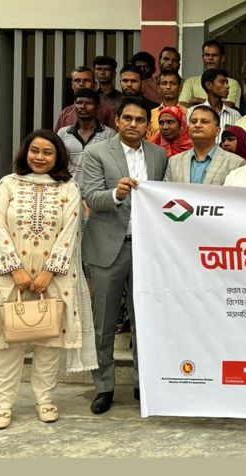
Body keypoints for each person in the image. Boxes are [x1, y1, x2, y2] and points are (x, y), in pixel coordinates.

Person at [0, 130, 97, 430]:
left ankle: (45, 400)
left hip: (55, 277)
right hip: (11, 277)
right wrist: (16, 270)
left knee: (49, 341)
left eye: (48, 152)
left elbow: (70, 232)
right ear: (25, 152)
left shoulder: (68, 188)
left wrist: (49, 271)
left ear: (58, 157)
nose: (39, 157)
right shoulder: (8, 183)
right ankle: (3, 405)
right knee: (8, 343)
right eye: (34, 150)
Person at [82, 96, 169, 414]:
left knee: (144, 321)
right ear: (117, 120)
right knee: (104, 324)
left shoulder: (159, 155)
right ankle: (104, 388)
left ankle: (142, 384)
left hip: (147, 249)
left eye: (140, 120)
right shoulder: (96, 152)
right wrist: (115, 194)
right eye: (128, 118)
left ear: (148, 125)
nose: (134, 124)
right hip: (108, 247)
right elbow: (91, 196)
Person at [165, 106, 245, 185]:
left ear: (217, 131)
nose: (197, 125)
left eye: (204, 122)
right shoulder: (174, 162)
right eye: (194, 121)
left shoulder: (235, 163)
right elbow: (166, 191)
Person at [58, 89, 115, 188]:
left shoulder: (110, 135)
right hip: (69, 191)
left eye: (88, 103)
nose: (83, 107)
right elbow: (57, 164)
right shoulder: (63, 133)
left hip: (98, 191)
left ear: (97, 108)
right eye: (79, 103)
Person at [179, 40, 241, 109]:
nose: (210, 58)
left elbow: (228, 106)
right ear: (203, 58)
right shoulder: (190, 82)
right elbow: (182, 105)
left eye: (215, 55)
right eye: (207, 55)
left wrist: (196, 100)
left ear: (222, 58)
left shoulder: (231, 84)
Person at [54, 66, 117, 132]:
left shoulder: (108, 111)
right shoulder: (66, 114)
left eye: (86, 80)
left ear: (95, 85)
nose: (81, 84)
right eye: (77, 81)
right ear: (72, 85)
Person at [186, 69, 242, 142]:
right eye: (222, 82)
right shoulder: (192, 112)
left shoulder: (235, 115)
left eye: (227, 82)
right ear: (208, 85)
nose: (227, 86)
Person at [146, 69, 183, 140]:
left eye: (173, 83)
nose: (168, 87)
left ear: (180, 88)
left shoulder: (188, 113)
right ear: (158, 88)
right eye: (164, 83)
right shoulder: (150, 115)